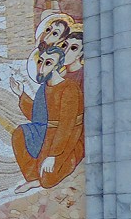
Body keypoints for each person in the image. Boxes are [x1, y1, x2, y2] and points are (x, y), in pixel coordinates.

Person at [10, 45, 84, 193]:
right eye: (40, 61)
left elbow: (66, 126)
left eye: (48, 63)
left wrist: (53, 155)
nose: (42, 67)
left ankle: (39, 180)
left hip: (69, 139)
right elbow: (37, 116)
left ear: (57, 66)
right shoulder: (44, 88)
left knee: (48, 178)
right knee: (19, 134)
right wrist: (21, 95)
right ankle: (33, 179)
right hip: (46, 132)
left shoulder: (69, 88)